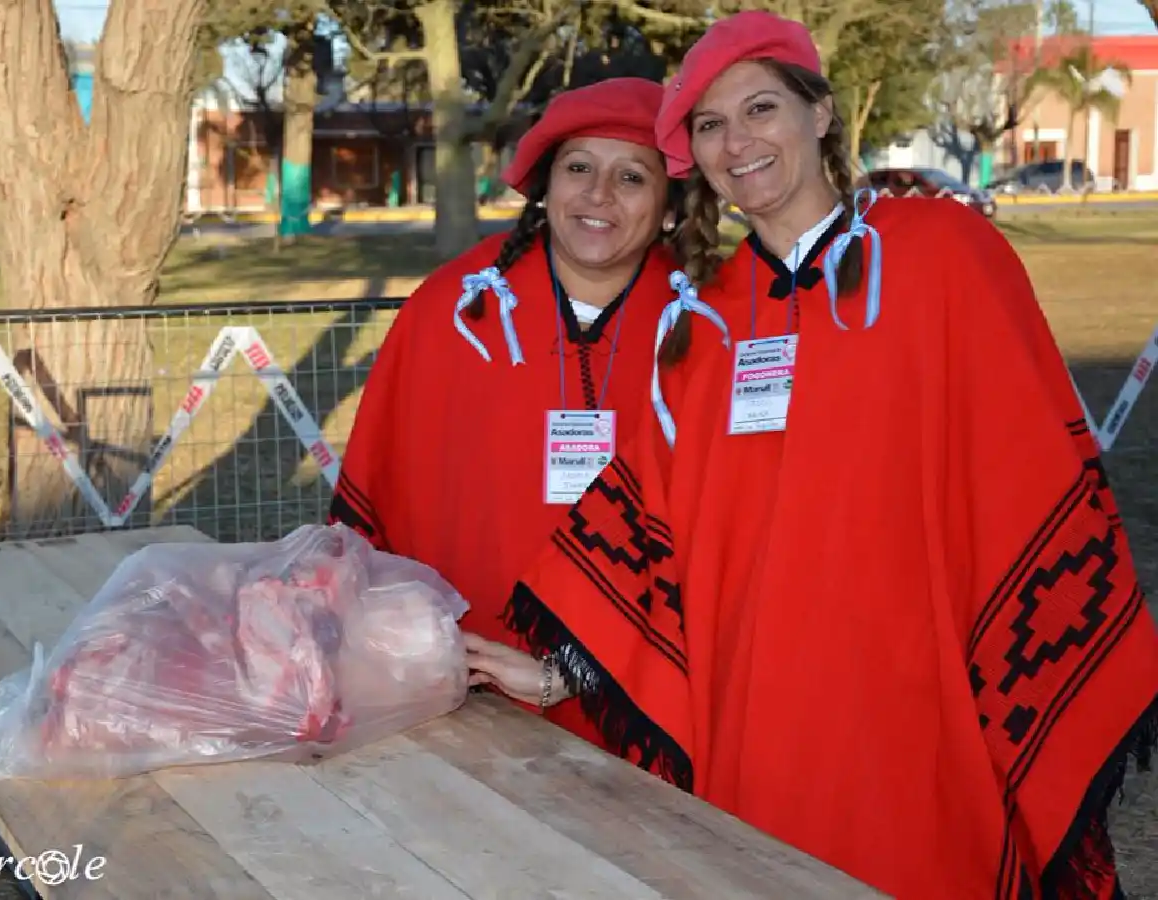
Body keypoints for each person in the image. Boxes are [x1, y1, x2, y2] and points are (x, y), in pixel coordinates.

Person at [474, 11, 1158, 899]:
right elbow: (656, 525)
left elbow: (1033, 468)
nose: (738, 143)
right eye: (710, 126)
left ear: (822, 114)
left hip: (920, 709)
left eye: (760, 109)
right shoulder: (703, 323)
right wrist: (561, 666)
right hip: (755, 720)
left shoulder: (942, 255)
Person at [327, 77, 687, 750]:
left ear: (670, 208)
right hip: (457, 685)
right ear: (544, 187)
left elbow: (714, 540)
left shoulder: (705, 332)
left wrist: (580, 668)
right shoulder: (450, 312)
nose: (599, 195)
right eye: (578, 168)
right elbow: (376, 497)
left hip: (636, 699)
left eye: (631, 176)